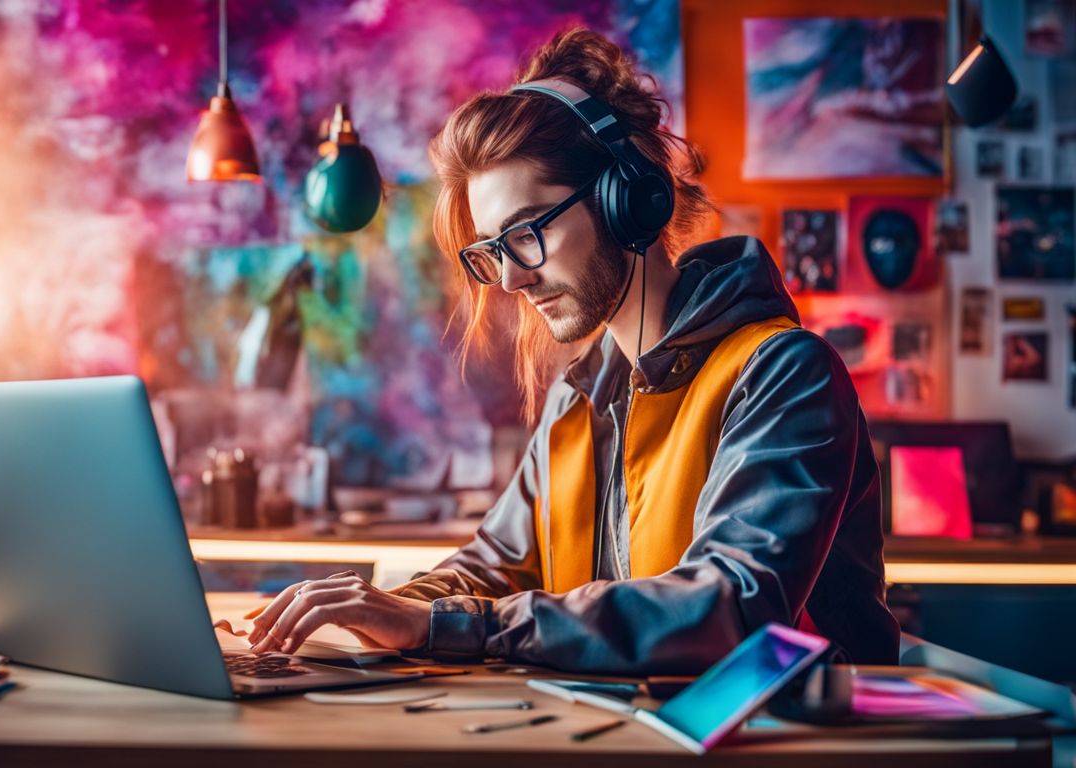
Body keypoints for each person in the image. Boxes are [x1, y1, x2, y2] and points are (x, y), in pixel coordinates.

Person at [245, 28, 899, 674]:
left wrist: (442, 625)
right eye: (492, 252)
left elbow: (731, 608)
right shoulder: (578, 398)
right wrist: (378, 610)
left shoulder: (785, 375)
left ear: (627, 202)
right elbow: (492, 572)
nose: (509, 279)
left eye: (526, 234)